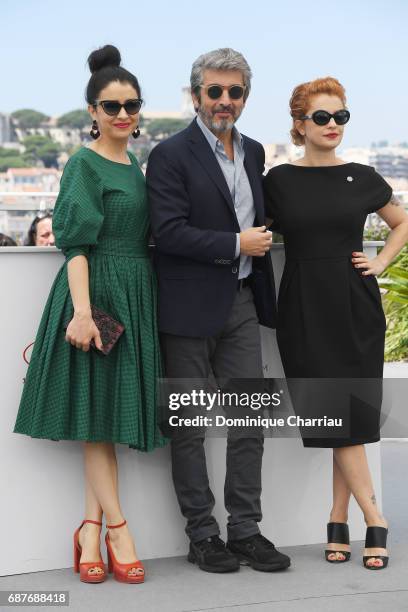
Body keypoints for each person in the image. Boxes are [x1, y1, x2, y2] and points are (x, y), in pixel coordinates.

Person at [14, 44, 167, 584]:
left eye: (132, 105)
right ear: (93, 113)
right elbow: (75, 245)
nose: (123, 114)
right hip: (96, 292)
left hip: (134, 293)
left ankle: (87, 530)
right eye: (111, 106)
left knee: (104, 418)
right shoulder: (83, 163)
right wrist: (81, 313)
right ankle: (118, 531)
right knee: (99, 424)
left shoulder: (135, 163)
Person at [146, 48, 290, 574]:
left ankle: (246, 530)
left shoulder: (253, 152)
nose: (224, 101)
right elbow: (168, 232)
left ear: (245, 98)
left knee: (249, 420)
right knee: (188, 426)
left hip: (244, 305)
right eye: (215, 91)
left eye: (235, 92)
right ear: (196, 95)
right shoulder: (168, 155)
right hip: (186, 310)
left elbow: (269, 211)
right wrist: (235, 243)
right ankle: (203, 534)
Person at [264, 77, 408, 570]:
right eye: (321, 118)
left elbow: (403, 222)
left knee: (349, 415)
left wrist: (381, 263)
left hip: (354, 303)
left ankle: (350, 518)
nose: (332, 126)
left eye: (340, 117)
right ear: (300, 125)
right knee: (331, 413)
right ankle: (364, 516)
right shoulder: (279, 181)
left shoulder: (363, 176)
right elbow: (251, 228)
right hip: (303, 307)